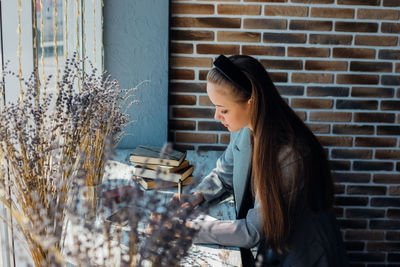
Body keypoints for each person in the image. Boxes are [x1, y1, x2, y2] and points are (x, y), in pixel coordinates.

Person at [175, 55, 349, 266]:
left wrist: (187, 229)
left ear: (251, 102)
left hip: (303, 256)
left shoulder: (290, 156)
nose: (216, 116)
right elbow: (223, 175)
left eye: (223, 109)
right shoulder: (244, 128)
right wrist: (196, 196)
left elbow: (252, 231)